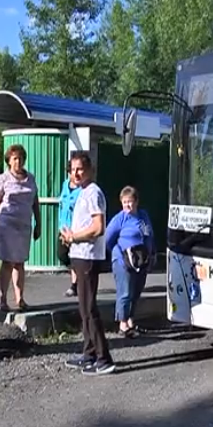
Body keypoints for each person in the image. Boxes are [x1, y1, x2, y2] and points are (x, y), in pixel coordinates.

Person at [60, 151, 115, 376]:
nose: (76, 173)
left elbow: (98, 227)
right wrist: (70, 236)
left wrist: (75, 236)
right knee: (83, 309)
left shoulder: (93, 193)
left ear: (90, 169)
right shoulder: (81, 192)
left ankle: (104, 358)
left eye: (80, 169)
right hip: (79, 254)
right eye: (72, 170)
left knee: (90, 308)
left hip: (88, 256)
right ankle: (89, 353)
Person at [0, 144, 41, 312]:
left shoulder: (30, 178)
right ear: (9, 161)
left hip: (24, 225)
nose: (18, 162)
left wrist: (38, 222)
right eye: (14, 159)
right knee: (8, 261)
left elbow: (35, 202)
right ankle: (2, 298)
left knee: (20, 262)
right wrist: (5, 216)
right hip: (6, 226)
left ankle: (20, 298)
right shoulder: (4, 179)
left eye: (20, 158)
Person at [105, 186, 155, 338]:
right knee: (125, 292)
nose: (128, 205)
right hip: (123, 259)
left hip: (142, 259)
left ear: (137, 202)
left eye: (130, 202)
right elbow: (108, 238)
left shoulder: (143, 216)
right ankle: (123, 324)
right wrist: (118, 252)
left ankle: (131, 321)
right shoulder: (119, 219)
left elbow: (150, 235)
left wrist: (152, 253)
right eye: (125, 202)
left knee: (136, 291)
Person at [58, 161, 81, 297]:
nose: (75, 174)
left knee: (74, 257)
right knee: (62, 254)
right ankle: (77, 276)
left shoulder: (83, 189)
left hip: (75, 229)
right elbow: (62, 205)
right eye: (72, 171)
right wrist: (61, 227)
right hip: (63, 227)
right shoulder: (65, 185)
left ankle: (74, 285)